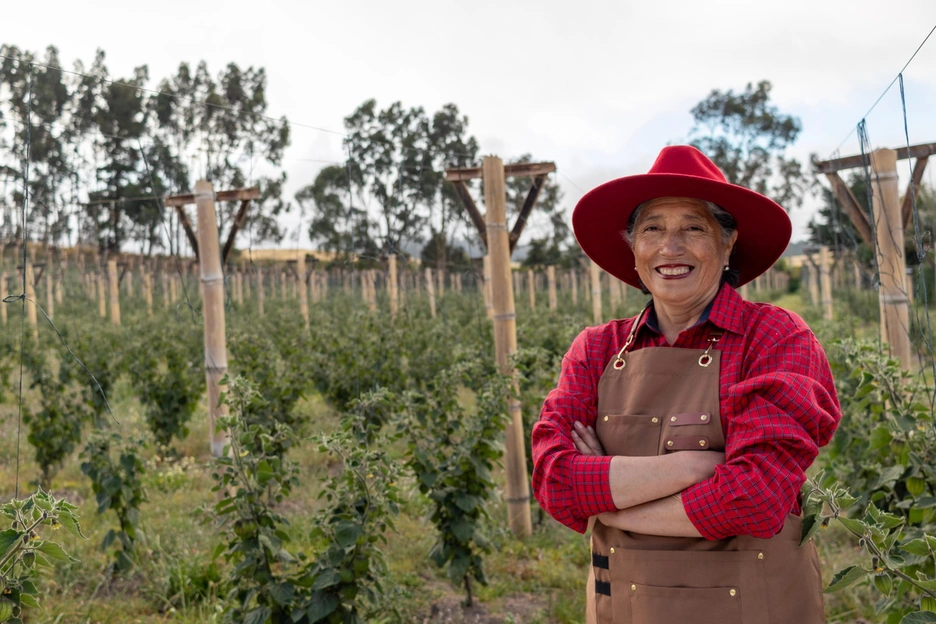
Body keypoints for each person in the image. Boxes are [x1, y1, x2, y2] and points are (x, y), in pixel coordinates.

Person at [530, 145, 841, 624]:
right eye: (652, 228)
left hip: (757, 606)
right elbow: (556, 482)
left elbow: (754, 498)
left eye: (693, 227)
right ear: (633, 247)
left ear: (728, 241)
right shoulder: (595, 349)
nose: (669, 247)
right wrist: (693, 466)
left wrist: (611, 507)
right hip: (626, 607)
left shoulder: (775, 338)